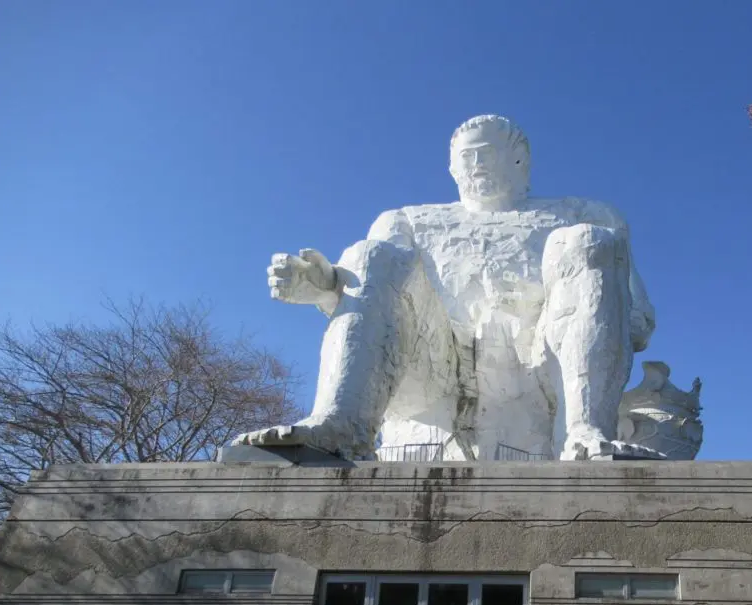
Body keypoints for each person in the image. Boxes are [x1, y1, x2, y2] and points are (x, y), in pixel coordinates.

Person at [233, 115, 656, 460]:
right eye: (466, 157)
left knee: (587, 241)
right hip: (434, 374)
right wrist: (325, 288)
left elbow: (636, 322)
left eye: (486, 152)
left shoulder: (583, 215)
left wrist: (538, 306)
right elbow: (374, 298)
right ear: (452, 168)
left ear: (520, 161)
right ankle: (340, 424)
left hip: (539, 371)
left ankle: (583, 433)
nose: (476, 164)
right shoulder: (406, 221)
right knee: (371, 253)